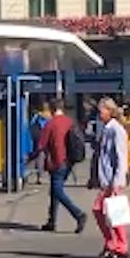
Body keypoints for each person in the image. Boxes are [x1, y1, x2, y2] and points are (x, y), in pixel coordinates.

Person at [31, 98, 87, 233]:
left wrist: (30, 157)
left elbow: (41, 145)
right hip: (69, 161)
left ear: (52, 110)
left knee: (57, 191)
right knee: (55, 190)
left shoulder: (50, 125)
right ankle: (51, 221)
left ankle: (78, 214)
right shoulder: (70, 122)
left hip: (56, 161)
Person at [91, 98, 129, 258]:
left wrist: (117, 181)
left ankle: (120, 245)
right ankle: (112, 243)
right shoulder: (107, 128)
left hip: (112, 179)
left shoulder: (116, 130)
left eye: (102, 110)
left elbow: (121, 156)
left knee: (113, 212)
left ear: (109, 111)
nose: (100, 113)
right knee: (102, 211)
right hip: (105, 179)